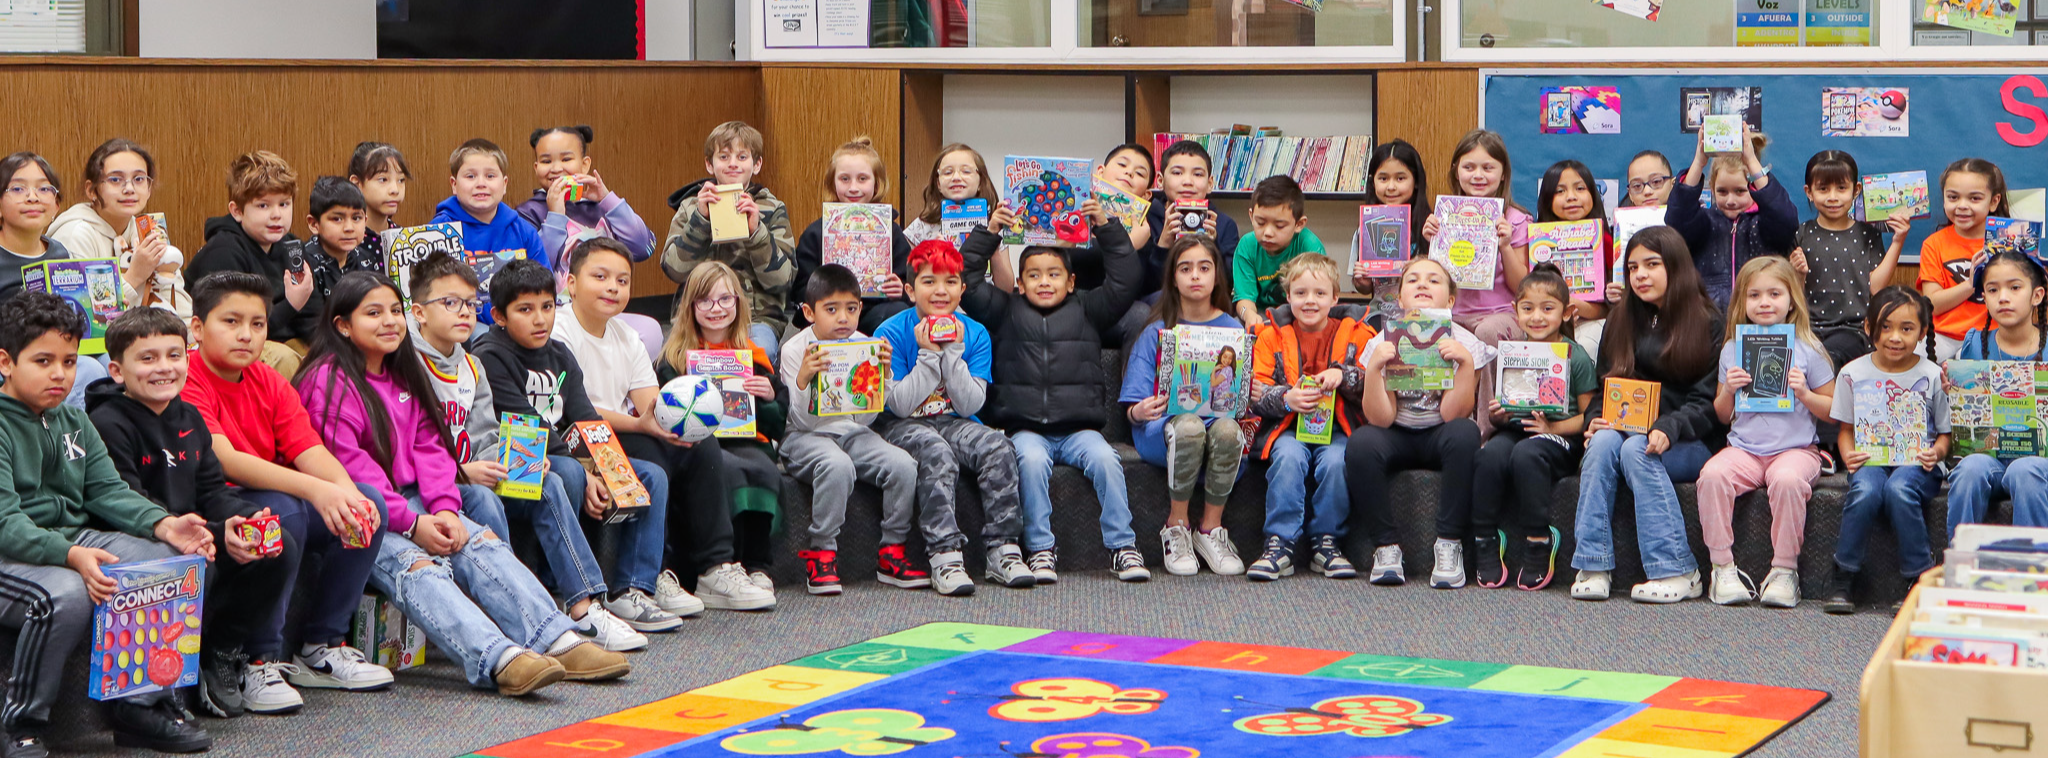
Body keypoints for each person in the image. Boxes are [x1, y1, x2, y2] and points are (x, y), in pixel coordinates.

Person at [298, 271, 629, 696]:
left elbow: (431, 446)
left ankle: (556, 636)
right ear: (342, 325)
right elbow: (349, 470)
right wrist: (414, 524)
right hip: (362, 511)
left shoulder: (403, 371)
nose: (389, 322)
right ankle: (497, 657)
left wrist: (444, 509)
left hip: (414, 501)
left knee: (479, 541)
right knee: (417, 565)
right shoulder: (327, 380)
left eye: (395, 312)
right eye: (373, 314)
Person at [87, 306, 382, 724]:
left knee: (275, 542)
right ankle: (164, 689)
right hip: (148, 540)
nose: (164, 368)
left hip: (200, 532)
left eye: (174, 356)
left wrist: (238, 520)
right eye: (147, 358)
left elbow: (211, 490)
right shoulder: (107, 422)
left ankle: (222, 654)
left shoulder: (187, 416)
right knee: (187, 564)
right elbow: (125, 503)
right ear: (117, 371)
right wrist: (210, 531)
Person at [407, 252, 665, 646]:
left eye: (467, 304)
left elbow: (492, 435)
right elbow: (405, 446)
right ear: (419, 312)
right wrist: (464, 472)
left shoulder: (471, 367)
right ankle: (524, 607)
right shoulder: (422, 363)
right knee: (546, 479)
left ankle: (598, 602)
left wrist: (530, 461)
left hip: (486, 467)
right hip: (438, 483)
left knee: (583, 477)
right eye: (449, 303)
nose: (462, 313)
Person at [0, 292, 217, 756]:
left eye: (70, 361)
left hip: (68, 538)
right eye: (43, 360)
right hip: (10, 552)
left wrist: (165, 525)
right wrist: (71, 556)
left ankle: (140, 708)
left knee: (171, 563)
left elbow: (108, 491)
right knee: (66, 594)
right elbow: (6, 523)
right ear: (5, 361)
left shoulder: (73, 419)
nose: (60, 374)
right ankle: (21, 722)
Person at [176, 272, 389, 717]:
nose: (246, 335)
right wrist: (318, 490)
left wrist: (347, 494)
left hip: (273, 490)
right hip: (215, 503)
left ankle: (322, 645)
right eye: (230, 321)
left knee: (371, 504)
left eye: (257, 324)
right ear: (197, 328)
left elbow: (309, 448)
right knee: (286, 513)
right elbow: (225, 460)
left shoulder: (268, 380)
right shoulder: (188, 377)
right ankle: (259, 659)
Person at [553, 239, 773, 611]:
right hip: (574, 438)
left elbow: (651, 405)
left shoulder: (627, 336)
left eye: (623, 281)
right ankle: (659, 571)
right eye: (600, 276)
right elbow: (579, 410)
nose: (613, 287)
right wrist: (644, 426)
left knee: (697, 441)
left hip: (624, 430)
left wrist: (677, 416)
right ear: (571, 283)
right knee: (654, 457)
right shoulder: (559, 331)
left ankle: (714, 567)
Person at [472, 259, 696, 618]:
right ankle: (559, 588)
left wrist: (609, 469)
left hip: (564, 456)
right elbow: (529, 426)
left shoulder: (560, 353)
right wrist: (587, 472)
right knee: (570, 472)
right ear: (499, 316)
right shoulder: (489, 355)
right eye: (525, 310)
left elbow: (586, 418)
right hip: (516, 459)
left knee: (650, 475)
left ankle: (633, 587)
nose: (540, 319)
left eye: (547, 307)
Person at [959, 193, 1145, 582]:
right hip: (1025, 429)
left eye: (1054, 274)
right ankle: (1041, 549)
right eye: (1034, 275)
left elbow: (1126, 279)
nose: (1045, 282)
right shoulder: (1003, 310)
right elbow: (968, 278)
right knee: (1027, 462)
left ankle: (1123, 547)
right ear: (1020, 284)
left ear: (1071, 280)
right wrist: (990, 232)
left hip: (1080, 429)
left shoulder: (1090, 309)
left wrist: (1106, 227)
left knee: (1108, 462)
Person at [1571, 227, 1723, 604]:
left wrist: (1669, 427)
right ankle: (1592, 562)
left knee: (1636, 449)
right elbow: (1607, 384)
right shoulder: (1620, 318)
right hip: (1626, 431)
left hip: (1688, 439)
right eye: (1633, 267)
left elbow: (1709, 404)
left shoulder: (1708, 321)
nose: (1640, 275)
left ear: (1675, 266)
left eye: (1652, 264)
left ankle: (1676, 569)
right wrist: (1595, 418)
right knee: (1605, 441)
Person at [874, 240, 1035, 594]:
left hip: (956, 419)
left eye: (950, 282)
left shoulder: (974, 332)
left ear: (963, 288)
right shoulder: (888, 333)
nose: (940, 291)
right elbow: (899, 405)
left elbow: (970, 405)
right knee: (935, 451)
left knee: (997, 445)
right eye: (928, 281)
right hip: (902, 425)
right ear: (909, 289)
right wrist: (928, 357)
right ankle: (944, 555)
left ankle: (1002, 549)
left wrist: (952, 353)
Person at [1699, 256, 1836, 607]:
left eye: (1775, 293)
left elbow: (1835, 412)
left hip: (1796, 449)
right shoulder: (1733, 348)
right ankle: (1722, 568)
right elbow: (1721, 413)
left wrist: (1805, 394)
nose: (1764, 302)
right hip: (1744, 449)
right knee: (1712, 475)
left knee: (1788, 481)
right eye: (1754, 295)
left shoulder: (1809, 349)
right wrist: (1728, 389)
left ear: (1792, 300)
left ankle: (1784, 570)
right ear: (1741, 302)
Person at [779, 264, 923, 594]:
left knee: (903, 465)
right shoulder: (794, 349)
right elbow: (799, 421)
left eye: (852, 309)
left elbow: (867, 419)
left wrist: (883, 376)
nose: (843, 318)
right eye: (831, 309)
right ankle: (822, 552)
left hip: (852, 432)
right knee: (836, 464)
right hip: (804, 436)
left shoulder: (865, 344)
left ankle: (892, 550)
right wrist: (802, 380)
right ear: (808, 312)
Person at [1350, 258, 1490, 588]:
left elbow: (1452, 414)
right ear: (1399, 300)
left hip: (1441, 430)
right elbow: (1379, 418)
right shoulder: (1381, 341)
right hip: (1396, 430)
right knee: (1360, 443)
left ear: (1451, 301)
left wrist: (1466, 364)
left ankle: (1449, 544)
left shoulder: (1467, 343)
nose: (1423, 285)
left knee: (1465, 432)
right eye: (1412, 281)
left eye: (1433, 281)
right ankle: (1386, 547)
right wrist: (1374, 369)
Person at [656, 260, 789, 589]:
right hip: (701, 447)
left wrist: (769, 395)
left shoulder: (753, 355)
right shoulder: (674, 359)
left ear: (739, 303)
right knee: (726, 470)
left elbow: (776, 424)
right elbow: (664, 415)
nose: (716, 309)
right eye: (705, 301)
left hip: (749, 442)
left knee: (765, 471)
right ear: (691, 307)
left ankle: (758, 565)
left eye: (725, 299)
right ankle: (724, 563)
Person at [1119, 236, 1247, 577]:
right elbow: (1131, 405)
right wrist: (1139, 410)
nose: (1195, 276)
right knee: (1189, 426)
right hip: (1164, 431)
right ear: (1173, 278)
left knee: (1229, 432)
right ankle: (1176, 526)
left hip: (1217, 425)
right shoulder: (1157, 329)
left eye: (1204, 268)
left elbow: (1241, 396)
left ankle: (1210, 530)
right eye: (1185, 268)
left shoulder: (1233, 329)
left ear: (1217, 275)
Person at [1471, 262, 1597, 591]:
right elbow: (1505, 411)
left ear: (1567, 313)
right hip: (1517, 429)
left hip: (1559, 438)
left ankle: (1539, 539)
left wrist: (1552, 430)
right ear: (1515, 312)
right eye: (1527, 309)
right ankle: (1485, 537)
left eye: (1547, 308)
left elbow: (1588, 417)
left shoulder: (1576, 356)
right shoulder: (1513, 354)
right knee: (1488, 456)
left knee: (1526, 455)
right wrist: (1498, 414)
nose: (1537, 317)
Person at [1247, 254, 1372, 581]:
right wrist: (1286, 398)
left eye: (1319, 293)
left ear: (1335, 297)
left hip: (1339, 427)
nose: (1310, 301)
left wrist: (1343, 376)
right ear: (1288, 297)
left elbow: (1373, 381)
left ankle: (1326, 542)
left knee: (1336, 462)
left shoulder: (1358, 333)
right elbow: (1255, 390)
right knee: (1288, 458)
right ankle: (1280, 542)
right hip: (1286, 427)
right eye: (1300, 293)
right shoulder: (1269, 334)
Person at [1828, 287, 1949, 614]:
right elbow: (1845, 432)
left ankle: (1919, 577)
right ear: (1868, 328)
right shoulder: (1852, 373)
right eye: (1886, 327)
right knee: (1866, 490)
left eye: (1907, 329)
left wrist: (1935, 453)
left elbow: (1945, 436)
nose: (1895, 337)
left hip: (1917, 464)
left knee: (1899, 490)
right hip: (1871, 458)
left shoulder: (1932, 375)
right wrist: (1847, 455)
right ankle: (1844, 574)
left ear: (1922, 332)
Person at [662, 120, 797, 353]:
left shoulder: (772, 208)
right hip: (697, 319)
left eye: (742, 157)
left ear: (756, 165)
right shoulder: (691, 207)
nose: (733, 164)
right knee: (675, 363)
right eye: (724, 157)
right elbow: (674, 269)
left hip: (755, 319)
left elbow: (782, 280)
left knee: (756, 360)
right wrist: (700, 221)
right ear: (709, 164)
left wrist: (757, 233)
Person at [182, 151, 316, 378]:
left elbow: (311, 315)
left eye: (284, 204)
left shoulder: (290, 247)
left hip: (276, 337)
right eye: (263, 206)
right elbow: (239, 330)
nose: (277, 215)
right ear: (237, 211)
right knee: (284, 359)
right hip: (230, 346)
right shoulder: (224, 252)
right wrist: (292, 304)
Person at [1943, 251, 2048, 539]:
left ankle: (2035, 570)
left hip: (2039, 463)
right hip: (1989, 456)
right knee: (1970, 469)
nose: (2003, 297)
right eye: (1993, 290)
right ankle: (1960, 564)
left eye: (2015, 288)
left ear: (2036, 295)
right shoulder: (1974, 345)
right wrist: (1952, 391)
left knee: (2026, 471)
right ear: (1984, 298)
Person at [1790, 150, 1908, 369]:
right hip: (1807, 329)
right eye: (1823, 189)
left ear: (1856, 190)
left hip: (1853, 330)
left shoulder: (1868, 234)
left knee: (1827, 359)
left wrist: (1898, 241)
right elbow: (1792, 295)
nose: (1833, 197)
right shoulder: (1801, 234)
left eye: (1841, 188)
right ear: (1809, 192)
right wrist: (1798, 275)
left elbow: (1876, 287)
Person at [47, 138, 187, 315]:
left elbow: (178, 303)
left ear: (149, 187)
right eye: (115, 179)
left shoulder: (149, 230)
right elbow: (84, 319)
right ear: (91, 190)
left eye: (138, 179)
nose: (129, 188)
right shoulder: (75, 234)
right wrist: (134, 276)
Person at [790, 136, 912, 338]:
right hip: (829, 318)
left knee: (898, 312)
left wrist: (901, 290)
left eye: (862, 179)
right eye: (845, 179)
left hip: (876, 316)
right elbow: (800, 288)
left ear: (876, 184)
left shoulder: (892, 232)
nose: (853, 187)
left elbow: (912, 285)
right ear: (832, 183)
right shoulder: (816, 233)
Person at [1664, 125, 1798, 310]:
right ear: (1711, 188)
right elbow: (1676, 220)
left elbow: (1786, 218)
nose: (1730, 200)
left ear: (1753, 187)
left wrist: (1751, 161)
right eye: (1722, 191)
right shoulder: (1703, 223)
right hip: (1711, 322)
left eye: (1740, 191)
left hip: (1758, 320)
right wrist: (1698, 162)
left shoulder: (1764, 224)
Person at [1420, 129, 1530, 347]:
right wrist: (1431, 245)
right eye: (1468, 167)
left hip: (1500, 314)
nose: (1478, 175)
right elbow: (1435, 280)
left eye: (1488, 168)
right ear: (1456, 172)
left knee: (1488, 332)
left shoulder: (1516, 221)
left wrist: (1506, 247)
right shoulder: (1445, 216)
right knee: (1422, 330)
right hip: (1452, 313)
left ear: (1503, 174)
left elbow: (1522, 287)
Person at [431, 139, 546, 326]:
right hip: (464, 327)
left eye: (490, 176)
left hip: (518, 324)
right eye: (470, 177)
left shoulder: (523, 231)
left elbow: (544, 285)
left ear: (505, 183)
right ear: (454, 184)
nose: (481, 183)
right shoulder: (439, 231)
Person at [515, 125, 657, 272]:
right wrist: (555, 217)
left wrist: (607, 200)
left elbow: (644, 249)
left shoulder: (603, 207)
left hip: (607, 291)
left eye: (566, 159)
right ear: (536, 167)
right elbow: (533, 269)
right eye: (546, 161)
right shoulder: (527, 212)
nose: (556, 168)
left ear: (584, 165)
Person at [1917, 158, 2008, 361]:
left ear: (1994, 201)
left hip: (1992, 336)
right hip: (1939, 337)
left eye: (1974, 198)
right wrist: (1969, 284)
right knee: (1908, 362)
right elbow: (1933, 303)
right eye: (1953, 197)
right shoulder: (1934, 244)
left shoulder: (2007, 243)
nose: (1962, 206)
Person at [1533, 159, 1612, 351]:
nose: (1571, 197)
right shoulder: (1534, 244)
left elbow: (1608, 309)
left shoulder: (1607, 242)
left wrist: (1573, 305)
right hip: (1543, 323)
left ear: (1593, 194)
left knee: (1583, 347)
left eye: (1580, 188)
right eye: (1560, 191)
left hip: (1590, 323)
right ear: (1547, 198)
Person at [1232, 175, 1325, 330]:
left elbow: (1316, 297)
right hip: (1260, 314)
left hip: (1300, 314)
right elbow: (1244, 299)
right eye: (1260, 223)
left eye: (1279, 226)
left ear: (1299, 224)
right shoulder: (1247, 246)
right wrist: (1249, 315)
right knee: (1236, 324)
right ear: (1251, 216)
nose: (1268, 232)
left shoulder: (1310, 246)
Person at [1350, 139, 1429, 319]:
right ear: (1373, 182)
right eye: (1383, 178)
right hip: (1380, 312)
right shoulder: (1365, 229)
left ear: (1416, 181)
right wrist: (1361, 280)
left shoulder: (1429, 227)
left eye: (1400, 178)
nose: (1391, 187)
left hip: (1424, 313)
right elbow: (1364, 288)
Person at [903, 143, 999, 247]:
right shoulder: (921, 226)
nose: (956, 177)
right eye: (948, 173)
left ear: (980, 181)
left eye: (966, 171)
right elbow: (905, 262)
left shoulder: (992, 224)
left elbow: (1003, 263)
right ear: (938, 184)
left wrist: (992, 237)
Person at [303, 177, 382, 301]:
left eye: (356, 218)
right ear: (314, 224)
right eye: (337, 219)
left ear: (365, 221)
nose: (349, 228)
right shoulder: (305, 265)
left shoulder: (366, 259)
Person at [345, 141, 411, 265]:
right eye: (383, 179)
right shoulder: (348, 239)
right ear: (356, 183)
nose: (395, 190)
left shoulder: (404, 238)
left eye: (401, 180)